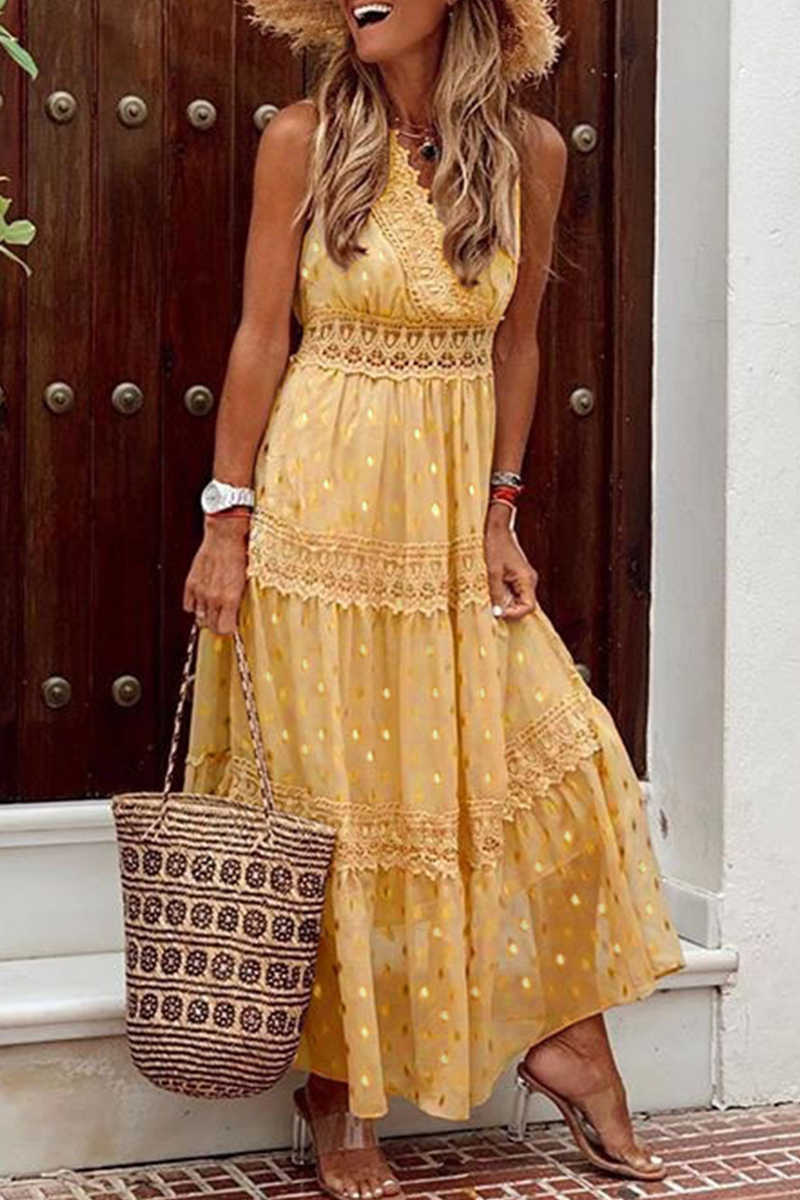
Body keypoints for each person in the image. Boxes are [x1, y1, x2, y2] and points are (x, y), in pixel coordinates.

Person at [181, 1, 686, 1196]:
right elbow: (259, 337)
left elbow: (517, 346)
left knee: (559, 757)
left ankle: (565, 1038)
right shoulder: (303, 137)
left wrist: (502, 512)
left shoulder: (529, 153)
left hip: (450, 512)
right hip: (318, 505)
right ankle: (338, 1092)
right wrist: (226, 520)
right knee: (334, 801)